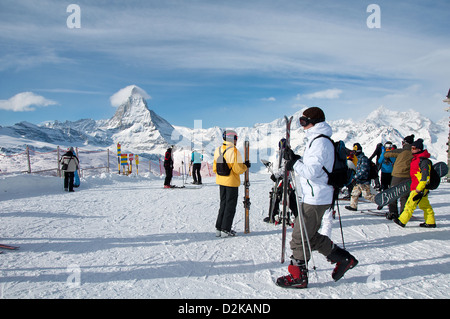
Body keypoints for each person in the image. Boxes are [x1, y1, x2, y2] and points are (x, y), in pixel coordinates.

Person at [276, 107, 358, 289]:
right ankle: (343, 258)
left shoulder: (320, 143)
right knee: (308, 236)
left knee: (299, 237)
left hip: (316, 197)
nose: (302, 126)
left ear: (314, 122)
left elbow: (312, 172)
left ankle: (298, 277)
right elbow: (316, 168)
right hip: (316, 195)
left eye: (304, 121)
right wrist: (297, 159)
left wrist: (294, 163)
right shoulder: (317, 140)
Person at [213, 130, 250, 238]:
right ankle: (226, 229)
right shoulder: (234, 151)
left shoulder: (218, 150)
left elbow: (215, 168)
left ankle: (219, 228)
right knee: (230, 205)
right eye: (236, 138)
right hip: (231, 182)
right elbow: (238, 169)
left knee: (223, 204)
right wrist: (245, 166)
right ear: (232, 139)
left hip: (221, 181)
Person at [394, 139, 436, 228]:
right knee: (424, 205)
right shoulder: (416, 159)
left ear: (419, 149)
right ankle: (430, 221)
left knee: (410, 204)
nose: (412, 149)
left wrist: (419, 188)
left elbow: (425, 176)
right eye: (412, 148)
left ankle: (402, 220)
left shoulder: (423, 161)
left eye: (414, 148)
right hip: (418, 186)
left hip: (418, 187)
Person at [263, 138, 298, 224]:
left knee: (278, 196)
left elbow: (285, 167)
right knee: (284, 196)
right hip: (281, 179)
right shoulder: (282, 154)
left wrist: (276, 175)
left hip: (283, 179)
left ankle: (273, 215)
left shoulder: (286, 154)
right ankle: (297, 216)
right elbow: (280, 167)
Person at [383, 135, 414, 219]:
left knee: (393, 194)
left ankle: (393, 212)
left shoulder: (401, 151)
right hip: (409, 176)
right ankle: (404, 214)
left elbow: (386, 154)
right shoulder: (414, 152)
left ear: (404, 143)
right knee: (405, 196)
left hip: (397, 175)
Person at [345, 143, 376, 211]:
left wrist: (354, 177)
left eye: (354, 152)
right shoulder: (359, 158)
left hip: (364, 181)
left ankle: (379, 200)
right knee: (354, 193)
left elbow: (363, 171)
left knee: (367, 195)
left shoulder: (364, 159)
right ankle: (353, 206)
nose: (354, 153)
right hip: (359, 180)